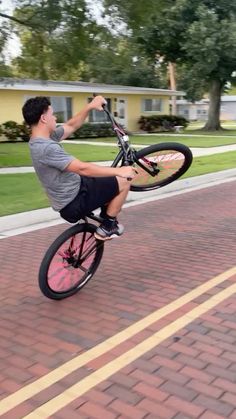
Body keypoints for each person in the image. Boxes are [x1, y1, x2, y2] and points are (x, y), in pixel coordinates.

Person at [22, 95, 136, 240]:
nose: (55, 118)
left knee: (105, 175)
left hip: (73, 190)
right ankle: (108, 227)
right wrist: (121, 171)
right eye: (52, 114)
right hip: (74, 201)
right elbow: (82, 168)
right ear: (44, 118)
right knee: (124, 180)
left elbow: (71, 126)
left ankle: (105, 210)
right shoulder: (46, 147)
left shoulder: (42, 139)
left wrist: (90, 106)